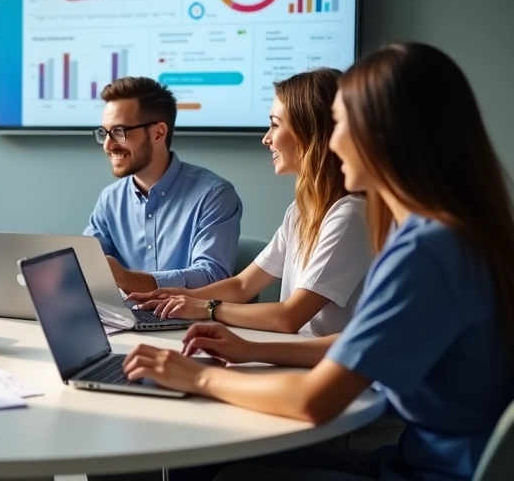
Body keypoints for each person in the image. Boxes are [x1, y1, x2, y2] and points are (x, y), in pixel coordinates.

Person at [121, 43, 514, 481]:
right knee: (206, 459)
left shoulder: (425, 252)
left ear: (382, 133)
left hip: (427, 473)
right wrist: (251, 349)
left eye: (340, 124)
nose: (333, 139)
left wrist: (198, 378)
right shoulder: (450, 238)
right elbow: (365, 344)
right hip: (410, 460)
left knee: (235, 476)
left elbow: (314, 400)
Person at [126, 69, 372, 336]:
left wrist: (207, 308)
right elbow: (243, 286)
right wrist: (181, 296)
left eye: (275, 125)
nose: (266, 138)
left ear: (309, 131)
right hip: (298, 356)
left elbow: (289, 317)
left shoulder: (350, 216)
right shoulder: (302, 211)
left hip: (321, 369)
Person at [84, 77, 242, 293]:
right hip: (125, 323)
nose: (108, 145)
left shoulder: (214, 196)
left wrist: (128, 279)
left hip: (191, 323)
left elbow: (212, 276)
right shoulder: (110, 199)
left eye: (119, 132)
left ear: (158, 133)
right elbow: (84, 261)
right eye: (104, 133)